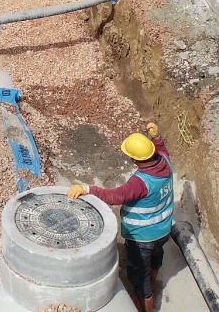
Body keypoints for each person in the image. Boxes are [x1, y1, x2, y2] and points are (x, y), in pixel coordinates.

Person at [66, 123, 173, 312]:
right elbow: (163, 150)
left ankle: (144, 303)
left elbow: (117, 196)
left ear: (134, 158)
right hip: (163, 230)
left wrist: (88, 189)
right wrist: (157, 138)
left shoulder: (141, 182)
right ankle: (152, 284)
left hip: (142, 237)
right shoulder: (165, 162)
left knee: (138, 277)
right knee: (156, 258)